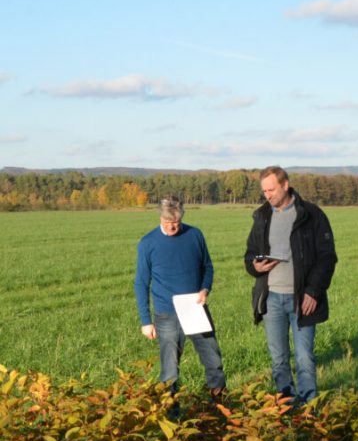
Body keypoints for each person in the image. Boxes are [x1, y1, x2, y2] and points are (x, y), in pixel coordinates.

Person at [244, 166, 337, 404]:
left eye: (271, 189)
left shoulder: (311, 215)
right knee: (279, 359)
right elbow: (250, 254)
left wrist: (313, 292)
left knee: (304, 358)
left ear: (286, 185)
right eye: (264, 191)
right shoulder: (262, 216)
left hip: (302, 299)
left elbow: (327, 258)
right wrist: (255, 267)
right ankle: (286, 405)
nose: (268, 195)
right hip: (271, 298)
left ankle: (308, 409)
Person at [134, 195, 226, 401]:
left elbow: (207, 267)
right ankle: (171, 417)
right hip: (166, 314)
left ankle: (219, 407)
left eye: (176, 223)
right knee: (169, 371)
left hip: (195, 309)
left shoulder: (195, 235)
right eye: (168, 223)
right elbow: (141, 283)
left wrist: (205, 289)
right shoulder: (148, 243)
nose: (172, 227)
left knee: (213, 361)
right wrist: (146, 321)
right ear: (160, 218)